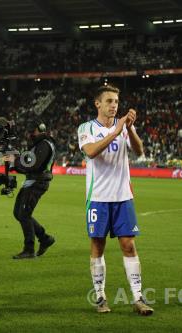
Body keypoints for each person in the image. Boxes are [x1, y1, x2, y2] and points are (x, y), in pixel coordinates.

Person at [78, 84, 153, 315]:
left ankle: (138, 298)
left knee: (129, 245)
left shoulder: (123, 128)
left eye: (116, 102)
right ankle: (100, 297)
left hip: (123, 196)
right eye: (109, 101)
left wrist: (128, 129)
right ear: (97, 103)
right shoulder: (86, 127)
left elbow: (139, 151)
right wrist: (116, 130)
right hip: (98, 198)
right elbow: (90, 152)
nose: (114, 106)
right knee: (98, 245)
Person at [7, 120, 56, 259]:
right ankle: (45, 238)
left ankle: (29, 249)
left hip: (37, 182)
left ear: (38, 130)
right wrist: (16, 161)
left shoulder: (44, 145)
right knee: (19, 213)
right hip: (32, 181)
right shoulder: (40, 144)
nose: (30, 134)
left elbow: (34, 165)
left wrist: (16, 163)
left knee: (24, 214)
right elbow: (29, 162)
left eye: (32, 131)